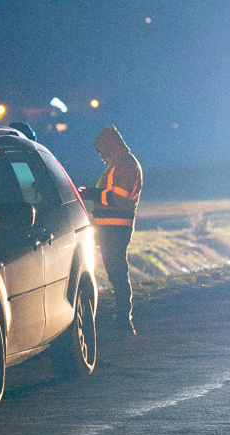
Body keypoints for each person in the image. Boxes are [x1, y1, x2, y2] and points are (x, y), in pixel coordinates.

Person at [80, 125, 143, 335]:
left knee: (117, 273)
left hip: (115, 229)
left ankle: (124, 319)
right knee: (116, 273)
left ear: (111, 147)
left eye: (103, 152)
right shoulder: (123, 165)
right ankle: (123, 317)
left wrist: (91, 193)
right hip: (112, 228)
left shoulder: (125, 167)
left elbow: (117, 198)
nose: (102, 157)